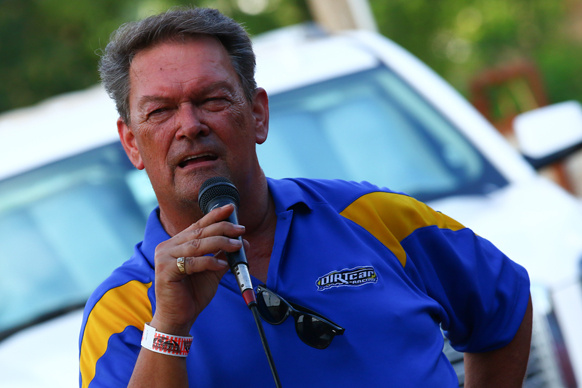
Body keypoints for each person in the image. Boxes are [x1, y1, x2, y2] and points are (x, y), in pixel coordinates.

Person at [79, 6, 532, 388]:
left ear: (257, 114)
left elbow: (505, 303)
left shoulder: (376, 218)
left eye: (213, 99)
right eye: (159, 111)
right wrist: (169, 328)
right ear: (133, 143)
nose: (190, 125)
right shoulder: (120, 312)